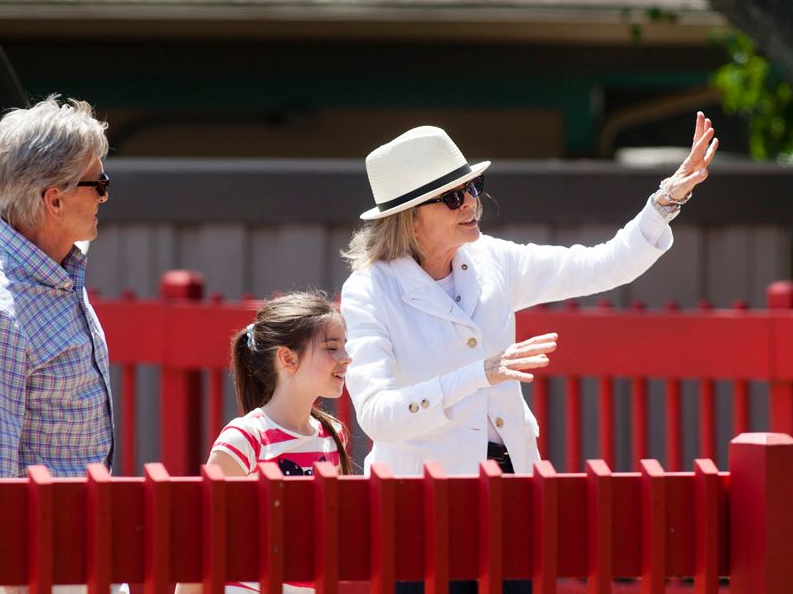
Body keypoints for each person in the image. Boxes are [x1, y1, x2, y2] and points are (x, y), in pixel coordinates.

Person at [340, 115, 717, 591]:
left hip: (510, 495)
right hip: (418, 514)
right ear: (411, 218)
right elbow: (377, 416)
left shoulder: (491, 258)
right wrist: (482, 373)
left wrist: (666, 200)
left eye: (475, 185)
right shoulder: (368, 290)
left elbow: (601, 264)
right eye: (455, 196)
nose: (473, 201)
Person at [0, 95, 114, 480]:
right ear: (55, 200)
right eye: (98, 183)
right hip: (36, 539)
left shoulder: (55, 274)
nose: (105, 195)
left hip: (74, 532)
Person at [180, 291, 353, 594]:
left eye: (344, 346)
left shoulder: (331, 435)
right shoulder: (245, 439)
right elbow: (202, 543)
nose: (346, 357)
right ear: (287, 358)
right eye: (331, 347)